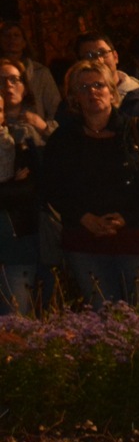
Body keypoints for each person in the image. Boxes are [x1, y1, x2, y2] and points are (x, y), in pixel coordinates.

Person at [42, 56, 139, 320]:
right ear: (74, 97)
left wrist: (126, 216)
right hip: (85, 240)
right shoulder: (64, 140)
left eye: (99, 85)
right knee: (105, 322)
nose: (92, 92)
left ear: (112, 92)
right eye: (84, 87)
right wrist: (84, 217)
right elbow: (52, 186)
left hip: (136, 235)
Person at [0, 60, 43, 314]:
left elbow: (28, 190)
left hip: (16, 240)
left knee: (15, 320)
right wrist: (10, 187)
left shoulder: (20, 142)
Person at [68, 33, 139, 137]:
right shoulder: (73, 104)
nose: (98, 60)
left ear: (115, 56)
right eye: (89, 56)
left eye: (103, 53)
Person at [1, 22, 63, 123]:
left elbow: (55, 109)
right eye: (6, 35)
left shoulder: (40, 72)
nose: (11, 39)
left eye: (16, 35)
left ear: (24, 42)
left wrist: (43, 127)